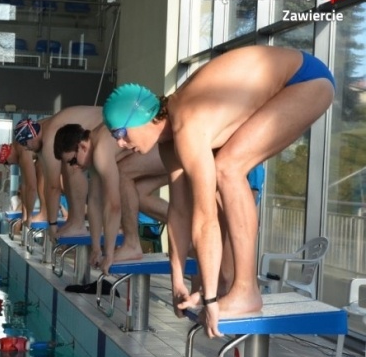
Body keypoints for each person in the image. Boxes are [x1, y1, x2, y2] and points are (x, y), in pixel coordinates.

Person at [103, 46, 335, 338]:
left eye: (120, 134)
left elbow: (205, 217)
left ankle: (246, 291)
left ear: (144, 118)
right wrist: (178, 279)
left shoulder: (188, 123)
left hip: (305, 80)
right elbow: (179, 212)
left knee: (228, 168)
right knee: (225, 170)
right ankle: (231, 288)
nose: (121, 145)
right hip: (285, 83)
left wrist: (210, 299)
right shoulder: (169, 140)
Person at [53, 123, 168, 273]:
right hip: (161, 149)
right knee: (135, 195)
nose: (74, 167)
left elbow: (113, 205)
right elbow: (94, 201)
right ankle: (185, 226)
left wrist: (109, 254)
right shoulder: (94, 148)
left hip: (166, 147)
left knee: (122, 174)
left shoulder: (100, 151)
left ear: (82, 147)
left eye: (72, 161)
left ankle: (132, 244)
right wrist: (95, 248)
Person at [14, 107, 105, 241]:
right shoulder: (42, 134)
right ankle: (74, 221)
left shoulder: (49, 138)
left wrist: (52, 224)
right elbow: (48, 184)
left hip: (107, 124)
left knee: (73, 166)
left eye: (25, 143)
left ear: (32, 136)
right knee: (69, 166)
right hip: (101, 125)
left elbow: (53, 187)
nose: (27, 148)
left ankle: (78, 223)